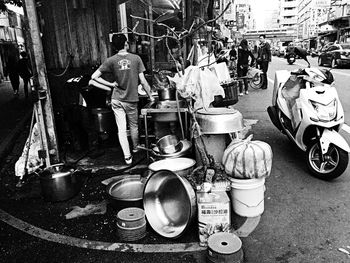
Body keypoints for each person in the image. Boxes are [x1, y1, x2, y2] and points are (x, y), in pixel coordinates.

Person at [91, 34, 155, 165]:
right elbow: (142, 81)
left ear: (114, 47)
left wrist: (111, 85)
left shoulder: (111, 60)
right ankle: (136, 148)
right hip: (131, 99)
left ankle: (127, 157)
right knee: (134, 126)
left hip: (117, 99)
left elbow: (94, 77)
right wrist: (150, 96)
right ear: (126, 44)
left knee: (121, 129)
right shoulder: (136, 58)